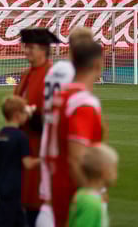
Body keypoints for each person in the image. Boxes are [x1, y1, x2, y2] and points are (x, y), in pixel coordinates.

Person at [50, 30, 105, 227]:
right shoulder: (83, 102)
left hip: (55, 184)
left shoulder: (61, 96)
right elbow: (76, 158)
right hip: (75, 192)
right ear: (98, 64)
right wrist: (93, 194)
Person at [14, 27, 58, 227]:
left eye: (30, 47)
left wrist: (28, 116)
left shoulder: (52, 76)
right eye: (25, 47)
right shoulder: (27, 74)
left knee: (36, 205)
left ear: (43, 49)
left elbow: (55, 118)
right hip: (24, 148)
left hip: (40, 148)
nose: (26, 51)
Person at [37, 36, 77, 227]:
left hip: (47, 142)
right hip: (64, 144)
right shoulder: (73, 78)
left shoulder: (52, 71)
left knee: (48, 202)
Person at [0, 96, 39, 227]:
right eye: (24, 113)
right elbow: (28, 163)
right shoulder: (21, 137)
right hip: (15, 189)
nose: (26, 115)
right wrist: (44, 159)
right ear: (17, 115)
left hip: (1, 187)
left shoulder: (0, 135)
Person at [68, 144, 118, 227]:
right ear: (104, 172)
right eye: (114, 168)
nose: (116, 173)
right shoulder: (91, 204)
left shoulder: (81, 194)